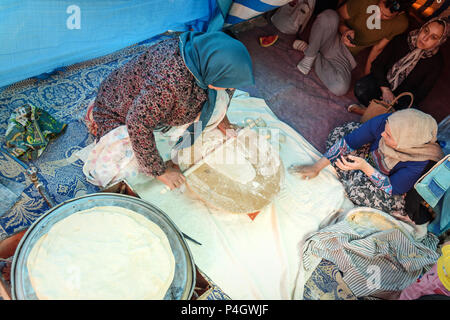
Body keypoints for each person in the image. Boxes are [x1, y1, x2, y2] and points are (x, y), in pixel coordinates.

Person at [90, 31, 255, 190]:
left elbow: (224, 92)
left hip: (153, 103)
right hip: (119, 111)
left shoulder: (205, 57)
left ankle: (172, 138)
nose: (231, 87)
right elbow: (137, 122)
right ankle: (98, 123)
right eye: (228, 82)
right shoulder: (169, 81)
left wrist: (223, 121)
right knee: (125, 172)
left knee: (218, 101)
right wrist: (160, 172)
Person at [289, 109, 444, 215]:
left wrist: (365, 168)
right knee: (341, 133)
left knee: (358, 190)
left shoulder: (420, 161)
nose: (383, 133)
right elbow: (350, 141)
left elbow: (392, 187)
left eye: (389, 135)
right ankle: (349, 170)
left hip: (389, 186)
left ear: (406, 142)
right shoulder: (386, 122)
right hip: (368, 158)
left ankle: (349, 171)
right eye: (386, 129)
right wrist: (317, 167)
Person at [293, 0, 411, 96]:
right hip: (330, 37)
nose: (379, 15)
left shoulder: (401, 24)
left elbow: (377, 49)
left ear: (399, 13)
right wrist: (345, 31)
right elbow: (338, 15)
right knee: (329, 16)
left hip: (345, 55)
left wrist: (365, 80)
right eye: (379, 9)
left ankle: (310, 50)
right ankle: (309, 57)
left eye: (385, 16)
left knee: (340, 88)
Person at [349, 17, 448, 114]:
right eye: (426, 31)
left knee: (409, 114)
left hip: (400, 99)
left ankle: (369, 111)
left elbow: (420, 93)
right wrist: (385, 90)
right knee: (361, 88)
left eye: (433, 37)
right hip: (381, 85)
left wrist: (394, 101)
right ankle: (381, 115)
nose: (425, 38)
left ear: (440, 41)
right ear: (422, 27)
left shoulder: (436, 63)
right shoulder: (402, 39)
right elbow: (377, 65)